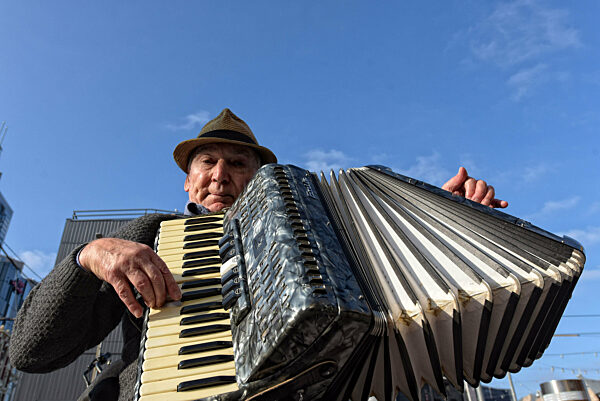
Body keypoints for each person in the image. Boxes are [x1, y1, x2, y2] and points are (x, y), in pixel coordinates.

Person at [9, 108, 507, 401]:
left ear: (260, 180)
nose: (221, 174)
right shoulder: (147, 238)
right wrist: (87, 256)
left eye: (237, 163)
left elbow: (394, 296)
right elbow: (31, 354)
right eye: (208, 161)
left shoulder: (323, 244)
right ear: (188, 179)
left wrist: (438, 221)